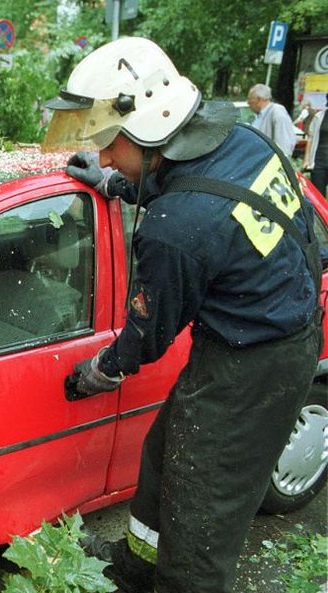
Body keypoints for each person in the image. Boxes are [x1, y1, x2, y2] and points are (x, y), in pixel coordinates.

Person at [44, 37, 321, 593]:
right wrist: (118, 186)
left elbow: (148, 335)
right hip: (275, 329)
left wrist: (101, 369)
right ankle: (139, 564)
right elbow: (201, 188)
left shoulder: (175, 229)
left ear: (150, 132)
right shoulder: (242, 142)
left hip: (253, 367)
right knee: (164, 456)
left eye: (109, 145)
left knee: (201, 513)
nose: (99, 156)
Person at [248, 83, 297, 158]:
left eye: (250, 99)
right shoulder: (259, 115)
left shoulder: (277, 112)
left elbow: (284, 145)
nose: (248, 102)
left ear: (259, 99)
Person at [303, 106, 327, 196]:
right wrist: (306, 160)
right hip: (318, 162)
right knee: (318, 197)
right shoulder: (319, 116)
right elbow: (310, 139)